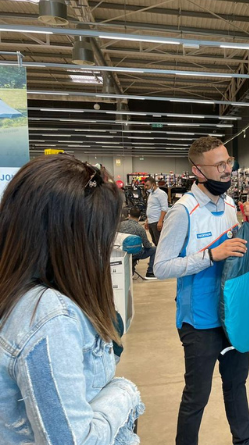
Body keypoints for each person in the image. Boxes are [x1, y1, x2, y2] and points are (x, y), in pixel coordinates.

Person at [0, 156, 144, 444]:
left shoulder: (22, 290)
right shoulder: (50, 317)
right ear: (71, 237)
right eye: (101, 234)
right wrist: (124, 392)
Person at [154, 137, 249, 445]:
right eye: (219, 165)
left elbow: (235, 250)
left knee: (236, 383)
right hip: (199, 320)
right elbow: (162, 267)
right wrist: (212, 255)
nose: (228, 170)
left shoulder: (229, 204)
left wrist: (246, 224)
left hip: (232, 313)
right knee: (197, 395)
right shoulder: (182, 211)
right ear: (198, 171)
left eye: (228, 162)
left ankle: (245, 440)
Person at [120, 206, 157, 279]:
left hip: (122, 252)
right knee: (154, 249)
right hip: (135, 253)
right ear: (139, 217)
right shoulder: (140, 228)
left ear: (129, 215)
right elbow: (147, 245)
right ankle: (150, 272)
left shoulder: (120, 225)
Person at [144, 176, 168, 245]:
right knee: (154, 241)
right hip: (151, 222)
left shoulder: (161, 194)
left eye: (147, 185)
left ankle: (161, 255)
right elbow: (151, 207)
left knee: (160, 242)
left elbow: (164, 208)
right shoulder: (151, 194)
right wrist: (147, 220)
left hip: (157, 221)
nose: (146, 187)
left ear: (153, 184)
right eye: (145, 185)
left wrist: (160, 221)